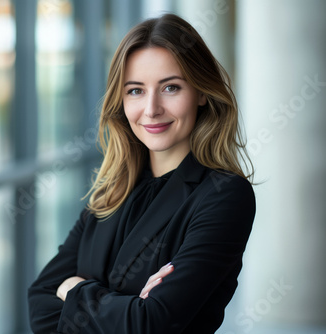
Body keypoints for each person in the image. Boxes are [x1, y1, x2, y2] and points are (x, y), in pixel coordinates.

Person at [28, 13, 256, 334]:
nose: (151, 109)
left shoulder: (224, 195)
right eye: (135, 90)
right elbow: (39, 304)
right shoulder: (112, 190)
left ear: (201, 93)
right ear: (120, 101)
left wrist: (73, 289)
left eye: (171, 87)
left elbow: (150, 324)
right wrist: (129, 305)